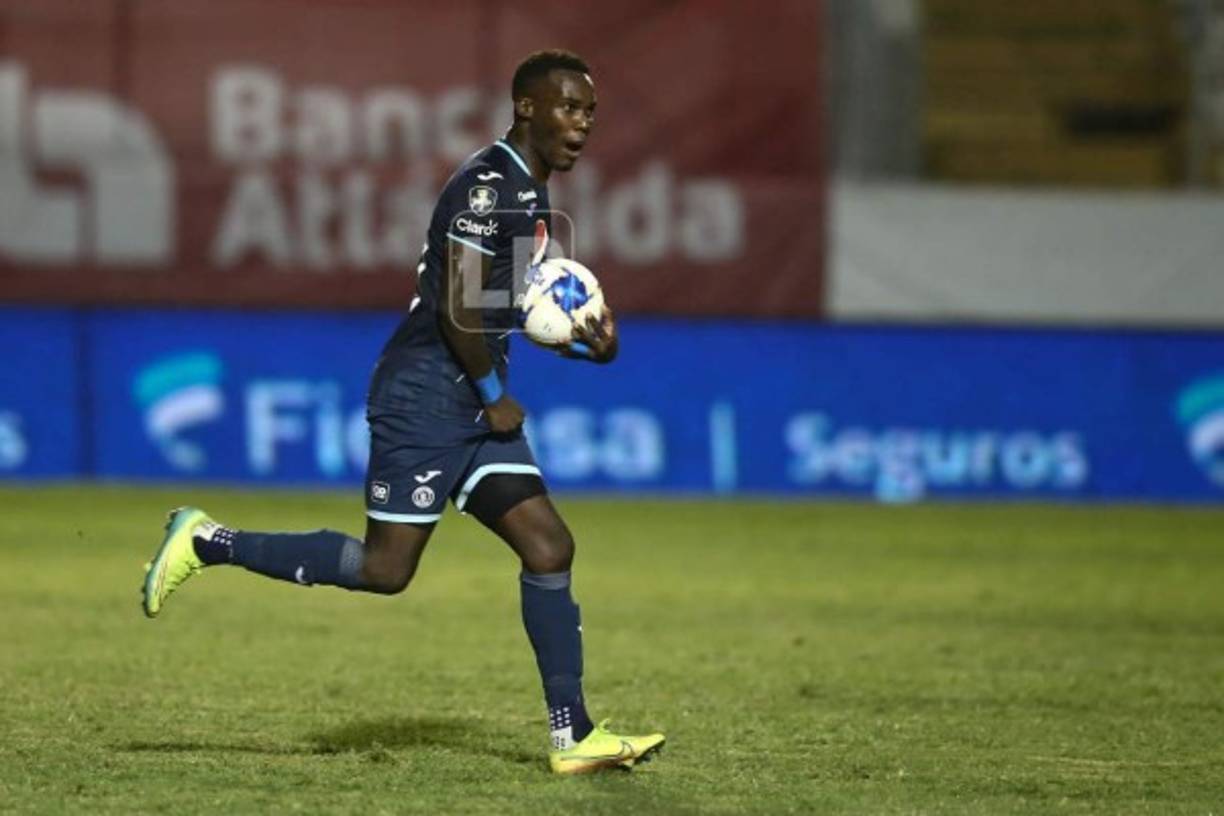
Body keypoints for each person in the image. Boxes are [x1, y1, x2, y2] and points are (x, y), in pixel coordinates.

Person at [140, 49, 664, 775]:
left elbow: (502, 307)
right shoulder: (490, 187)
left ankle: (572, 736)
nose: (582, 124)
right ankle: (206, 541)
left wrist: (585, 343)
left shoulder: (529, 195)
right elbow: (456, 307)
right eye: (568, 108)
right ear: (526, 107)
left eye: (590, 112)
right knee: (386, 569)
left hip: (467, 397)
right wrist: (493, 398)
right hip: (427, 396)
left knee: (549, 547)